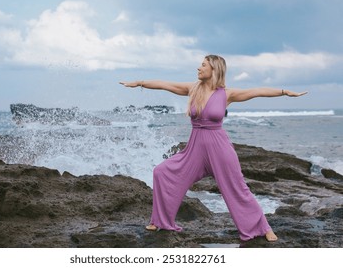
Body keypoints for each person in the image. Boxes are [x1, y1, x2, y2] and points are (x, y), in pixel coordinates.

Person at [119, 54, 307, 242]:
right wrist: (140, 82)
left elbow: (256, 91)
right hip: (195, 149)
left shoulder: (226, 94)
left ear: (214, 69)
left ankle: (263, 227)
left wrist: (283, 92)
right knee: (162, 172)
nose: (199, 68)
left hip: (220, 148)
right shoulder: (193, 89)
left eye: (203, 65)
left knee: (237, 188)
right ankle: (160, 221)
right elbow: (164, 84)